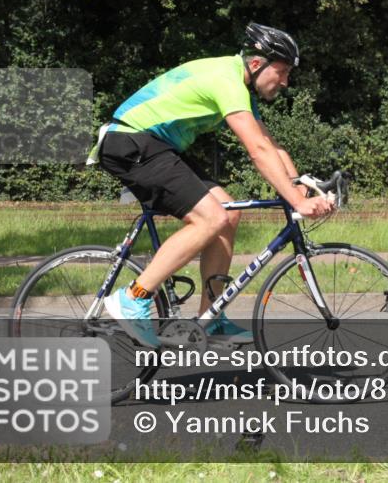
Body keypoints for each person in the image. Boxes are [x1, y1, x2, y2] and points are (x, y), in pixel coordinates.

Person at [89, 22, 333, 347]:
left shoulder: (241, 85)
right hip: (131, 141)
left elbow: (271, 146)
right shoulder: (226, 79)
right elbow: (257, 151)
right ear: (257, 64)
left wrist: (301, 186)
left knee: (229, 214)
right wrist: (298, 202)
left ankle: (210, 317)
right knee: (211, 217)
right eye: (283, 71)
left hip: (157, 147)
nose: (286, 81)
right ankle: (134, 297)